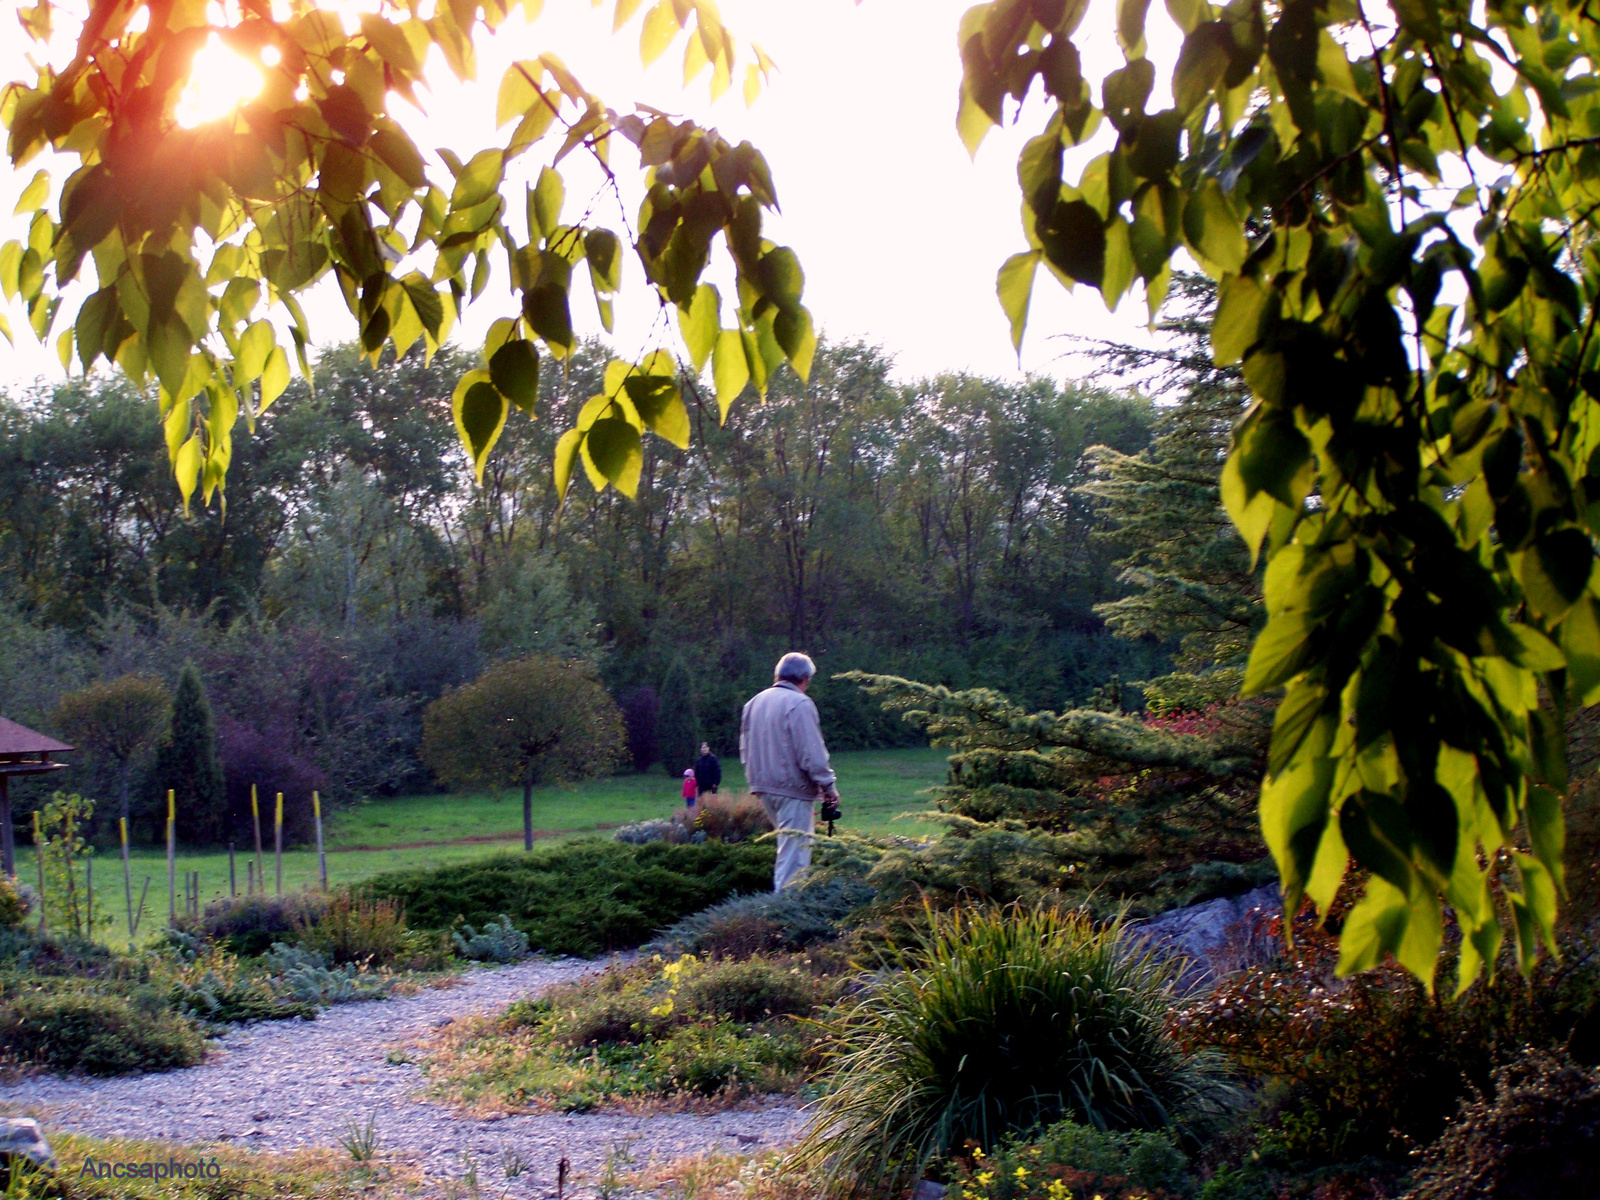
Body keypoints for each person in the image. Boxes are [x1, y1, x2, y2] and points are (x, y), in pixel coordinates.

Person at [740, 652, 839, 891]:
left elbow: (745, 749)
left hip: (763, 787)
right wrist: (828, 786)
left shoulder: (753, 702)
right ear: (804, 678)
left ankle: (784, 911)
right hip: (792, 789)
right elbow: (812, 752)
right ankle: (786, 916)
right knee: (795, 859)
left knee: (787, 850)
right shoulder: (800, 703)